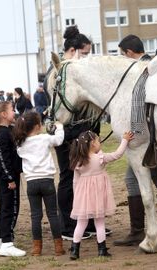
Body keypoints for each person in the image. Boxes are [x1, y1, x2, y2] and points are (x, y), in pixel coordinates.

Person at [113, 34, 157, 246]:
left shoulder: (143, 71)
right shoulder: (151, 66)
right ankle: (144, 229)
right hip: (150, 136)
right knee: (134, 180)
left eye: (122, 54)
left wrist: (136, 131)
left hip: (149, 139)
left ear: (129, 53)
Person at [51, 25, 102, 241]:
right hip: (68, 134)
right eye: (86, 53)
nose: (88, 58)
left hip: (81, 132)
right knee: (67, 177)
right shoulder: (60, 73)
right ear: (74, 51)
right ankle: (67, 225)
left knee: (84, 178)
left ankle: (86, 222)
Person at [68, 130, 134, 260]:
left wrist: (77, 196)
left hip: (83, 196)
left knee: (81, 223)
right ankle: (102, 249)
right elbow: (117, 154)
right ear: (92, 143)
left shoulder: (78, 161)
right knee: (99, 222)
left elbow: (75, 181)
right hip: (98, 195)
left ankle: (75, 250)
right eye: (98, 140)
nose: (100, 143)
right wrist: (125, 140)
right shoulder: (100, 159)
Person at [14, 112, 65, 256]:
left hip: (31, 183)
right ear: (37, 126)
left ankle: (37, 248)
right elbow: (59, 140)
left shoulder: (21, 143)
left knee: (35, 216)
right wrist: (59, 127)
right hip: (47, 181)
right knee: (52, 215)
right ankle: (58, 247)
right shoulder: (44, 138)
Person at [0, 101, 25, 257]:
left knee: (5, 208)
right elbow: (2, 159)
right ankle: (7, 244)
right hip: (7, 178)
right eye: (12, 110)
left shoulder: (8, 131)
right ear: (3, 114)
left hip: (7, 176)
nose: (14, 112)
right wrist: (10, 179)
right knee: (11, 208)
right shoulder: (2, 134)